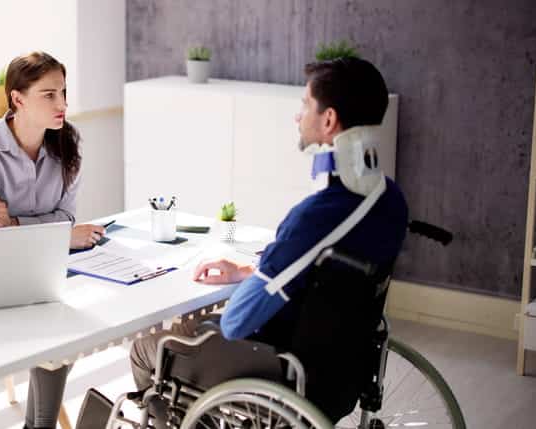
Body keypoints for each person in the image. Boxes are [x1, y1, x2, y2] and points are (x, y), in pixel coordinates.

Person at [129, 57, 409, 425]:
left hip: (283, 369)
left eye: (305, 105)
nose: (298, 117)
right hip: (342, 371)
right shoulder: (391, 202)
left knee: (147, 348)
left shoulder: (316, 216)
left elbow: (235, 323)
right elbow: (322, 278)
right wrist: (253, 272)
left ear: (328, 120)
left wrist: (261, 280)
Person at [0, 51, 104, 429]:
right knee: (58, 320)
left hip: (43, 266)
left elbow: (67, 218)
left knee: (88, 308)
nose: (63, 104)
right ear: (17, 99)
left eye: (64, 92)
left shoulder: (67, 144)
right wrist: (60, 235)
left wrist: (15, 220)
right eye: (49, 94)